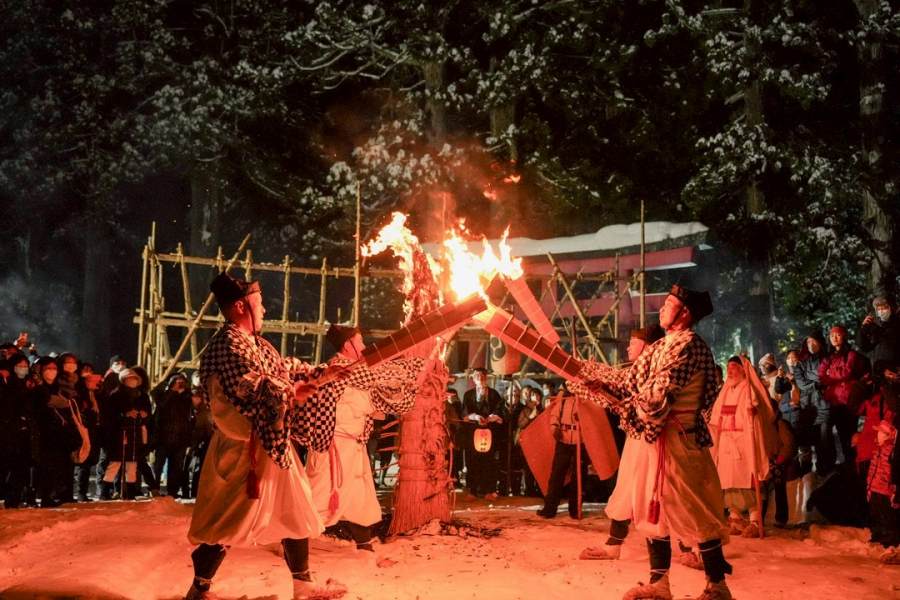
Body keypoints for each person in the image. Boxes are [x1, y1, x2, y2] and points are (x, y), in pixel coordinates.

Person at [184, 272, 352, 600]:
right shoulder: (227, 344)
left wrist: (324, 373)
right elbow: (253, 388)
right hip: (244, 450)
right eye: (259, 304)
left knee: (296, 511)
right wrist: (294, 390)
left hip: (271, 443)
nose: (264, 311)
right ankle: (198, 589)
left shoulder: (257, 344)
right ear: (239, 306)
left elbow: (284, 370)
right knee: (228, 524)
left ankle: (303, 586)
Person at [571, 285, 732, 600]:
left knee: (695, 512)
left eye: (670, 303)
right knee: (650, 511)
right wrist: (590, 376)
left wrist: (618, 399)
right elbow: (629, 381)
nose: (662, 308)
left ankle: (718, 587)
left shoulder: (689, 347)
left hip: (679, 443)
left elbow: (656, 396)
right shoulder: (664, 345)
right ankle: (659, 585)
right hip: (656, 441)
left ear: (685, 313)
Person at [306, 324, 422, 554]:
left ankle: (364, 543)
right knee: (318, 495)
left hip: (354, 444)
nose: (363, 346)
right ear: (347, 345)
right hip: (334, 445)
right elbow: (380, 374)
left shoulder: (359, 370)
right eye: (359, 341)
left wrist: (414, 372)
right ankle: (292, 540)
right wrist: (416, 366)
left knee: (361, 497)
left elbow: (384, 391)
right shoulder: (338, 368)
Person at [709, 356, 780, 538]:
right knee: (729, 481)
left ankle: (755, 520)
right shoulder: (724, 391)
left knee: (747, 480)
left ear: (743, 370)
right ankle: (735, 519)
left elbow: (756, 408)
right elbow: (717, 414)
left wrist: (752, 412)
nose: (730, 371)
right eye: (728, 367)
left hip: (742, 441)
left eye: (734, 367)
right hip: (726, 440)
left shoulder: (748, 389)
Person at [819, 325, 868, 469]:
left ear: (844, 337)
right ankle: (848, 467)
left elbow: (846, 373)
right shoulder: (828, 357)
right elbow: (822, 376)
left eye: (838, 335)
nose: (834, 338)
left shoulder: (851, 354)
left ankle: (856, 467)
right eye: (832, 335)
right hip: (834, 402)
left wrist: (831, 373)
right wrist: (834, 374)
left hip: (849, 401)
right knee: (841, 435)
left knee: (850, 437)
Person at [537, 386, 587, 519]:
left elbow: (592, 417)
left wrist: (582, 416)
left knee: (578, 477)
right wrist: (554, 429)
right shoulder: (563, 396)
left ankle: (575, 510)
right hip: (563, 439)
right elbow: (554, 414)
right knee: (556, 475)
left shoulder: (585, 396)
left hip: (580, 440)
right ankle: (549, 508)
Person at [461, 368, 506, 500]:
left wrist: (489, 418)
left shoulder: (494, 394)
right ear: (473, 378)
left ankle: (488, 491)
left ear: (487, 377)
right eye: (477, 375)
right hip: (473, 432)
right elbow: (465, 413)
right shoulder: (468, 395)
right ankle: (472, 491)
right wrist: (475, 417)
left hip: (489, 431)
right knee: (472, 461)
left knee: (489, 462)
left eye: (482, 375)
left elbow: (498, 410)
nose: (480, 377)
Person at [152, 373, 194, 497]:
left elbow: (189, 410)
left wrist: (183, 391)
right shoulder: (164, 395)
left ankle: (172, 491)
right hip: (163, 437)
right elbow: (161, 403)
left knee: (176, 467)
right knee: (158, 464)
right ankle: (155, 488)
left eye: (182, 381)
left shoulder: (187, 397)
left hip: (180, 438)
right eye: (177, 380)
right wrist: (172, 390)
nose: (180, 383)